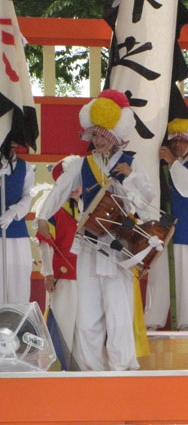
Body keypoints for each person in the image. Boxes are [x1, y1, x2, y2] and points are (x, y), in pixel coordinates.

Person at [36, 89, 155, 371]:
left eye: (102, 135)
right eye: (95, 136)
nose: (97, 141)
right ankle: (91, 369)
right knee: (89, 313)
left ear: (114, 135)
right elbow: (60, 190)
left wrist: (131, 178)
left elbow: (147, 200)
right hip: (89, 244)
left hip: (118, 246)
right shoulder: (82, 164)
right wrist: (42, 216)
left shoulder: (131, 164)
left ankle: (122, 366)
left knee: (118, 310)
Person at [145, 118, 188, 332]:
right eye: (174, 141)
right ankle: (152, 322)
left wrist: (173, 163)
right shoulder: (156, 168)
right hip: (161, 232)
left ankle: (186, 325)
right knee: (158, 280)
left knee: (187, 280)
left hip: (187, 232)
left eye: (183, 141)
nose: (178, 145)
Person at [33, 155, 85, 370]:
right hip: (61, 276)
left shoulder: (86, 208)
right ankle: (55, 369)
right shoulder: (52, 210)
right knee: (61, 323)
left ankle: (79, 370)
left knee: (82, 327)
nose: (74, 186)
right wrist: (47, 273)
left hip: (84, 275)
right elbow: (45, 244)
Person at [0, 141, 34, 305]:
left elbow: (28, 196)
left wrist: (14, 211)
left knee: (18, 283)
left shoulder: (26, 167)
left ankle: (16, 327)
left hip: (17, 234)